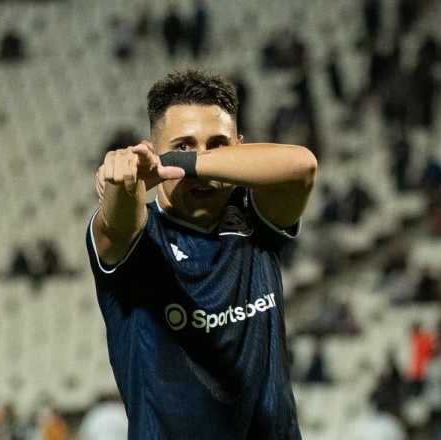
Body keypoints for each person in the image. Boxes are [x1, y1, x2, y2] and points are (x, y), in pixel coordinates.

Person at [87, 70, 316, 438]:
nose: (199, 160)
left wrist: (181, 164)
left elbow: (302, 166)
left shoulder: (256, 218)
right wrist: (123, 179)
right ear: (151, 148)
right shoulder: (139, 240)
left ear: (240, 147)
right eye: (184, 144)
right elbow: (120, 216)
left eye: (218, 144)